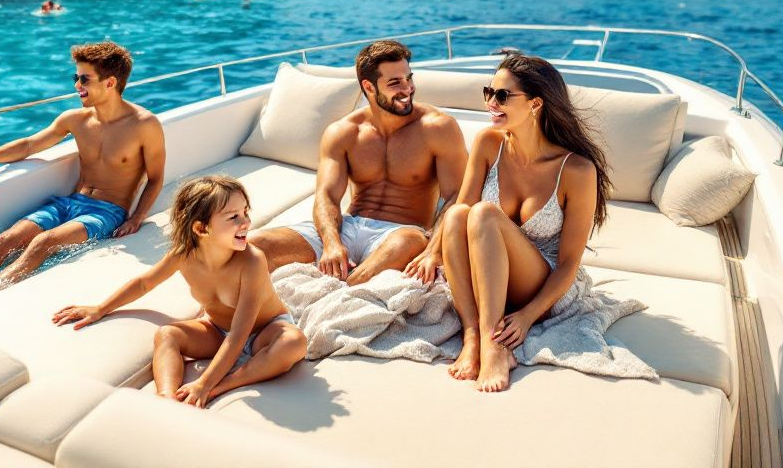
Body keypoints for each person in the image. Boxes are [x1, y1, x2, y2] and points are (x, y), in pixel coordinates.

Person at [0, 42, 166, 321]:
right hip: (70, 203)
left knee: (42, 243)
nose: (77, 85)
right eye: (75, 78)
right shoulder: (76, 119)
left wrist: (136, 218)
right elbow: (30, 145)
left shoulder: (144, 124)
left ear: (110, 83)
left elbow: (155, 178)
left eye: (84, 79)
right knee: (6, 239)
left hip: (107, 211)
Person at [54, 175, 307, 407]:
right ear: (200, 229)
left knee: (294, 342)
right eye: (234, 217)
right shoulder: (184, 255)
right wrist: (101, 308)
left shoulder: (252, 261)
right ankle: (166, 399)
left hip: (264, 331)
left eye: (245, 212)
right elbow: (145, 283)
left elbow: (240, 333)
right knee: (168, 335)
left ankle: (225, 384)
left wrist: (204, 383)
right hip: (218, 331)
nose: (246, 222)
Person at [439, 53, 610, 392]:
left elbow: (569, 263)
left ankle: (495, 347)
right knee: (460, 212)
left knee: (485, 212)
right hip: (486, 274)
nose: (491, 102)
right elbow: (460, 217)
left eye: (502, 96)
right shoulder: (489, 143)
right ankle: (473, 333)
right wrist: (433, 250)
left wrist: (528, 315)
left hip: (540, 283)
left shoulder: (576, 170)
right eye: (489, 92)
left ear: (535, 104)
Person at [249, 40, 467, 286]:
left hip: (401, 233)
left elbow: (456, 197)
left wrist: (433, 251)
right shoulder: (344, 132)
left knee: (412, 242)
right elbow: (327, 196)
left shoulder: (438, 128)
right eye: (395, 83)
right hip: (348, 226)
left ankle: (340, 291)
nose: (407, 89)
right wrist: (332, 243)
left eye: (409, 78)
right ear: (369, 87)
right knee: (256, 245)